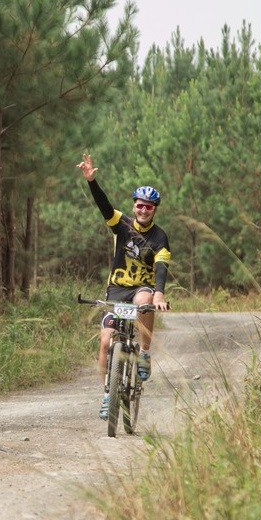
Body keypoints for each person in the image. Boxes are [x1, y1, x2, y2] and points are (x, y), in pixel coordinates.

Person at [76, 153, 171, 419]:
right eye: (140, 206)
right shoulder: (123, 225)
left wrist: (159, 294)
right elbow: (104, 206)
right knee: (105, 341)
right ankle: (108, 393)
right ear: (134, 206)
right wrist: (92, 181)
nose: (143, 210)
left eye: (149, 207)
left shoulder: (160, 237)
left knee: (145, 303)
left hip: (142, 287)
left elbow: (162, 268)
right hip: (116, 289)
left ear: (155, 209)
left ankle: (143, 352)